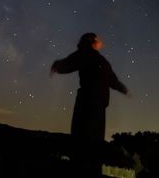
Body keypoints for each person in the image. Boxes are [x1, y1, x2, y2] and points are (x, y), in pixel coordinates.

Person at [50, 32, 130, 176]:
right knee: (86, 142)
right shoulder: (88, 55)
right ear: (91, 41)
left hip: (97, 105)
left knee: (91, 143)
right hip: (89, 103)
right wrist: (58, 65)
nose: (100, 40)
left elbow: (112, 81)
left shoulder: (99, 59)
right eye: (97, 38)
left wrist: (122, 89)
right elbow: (68, 64)